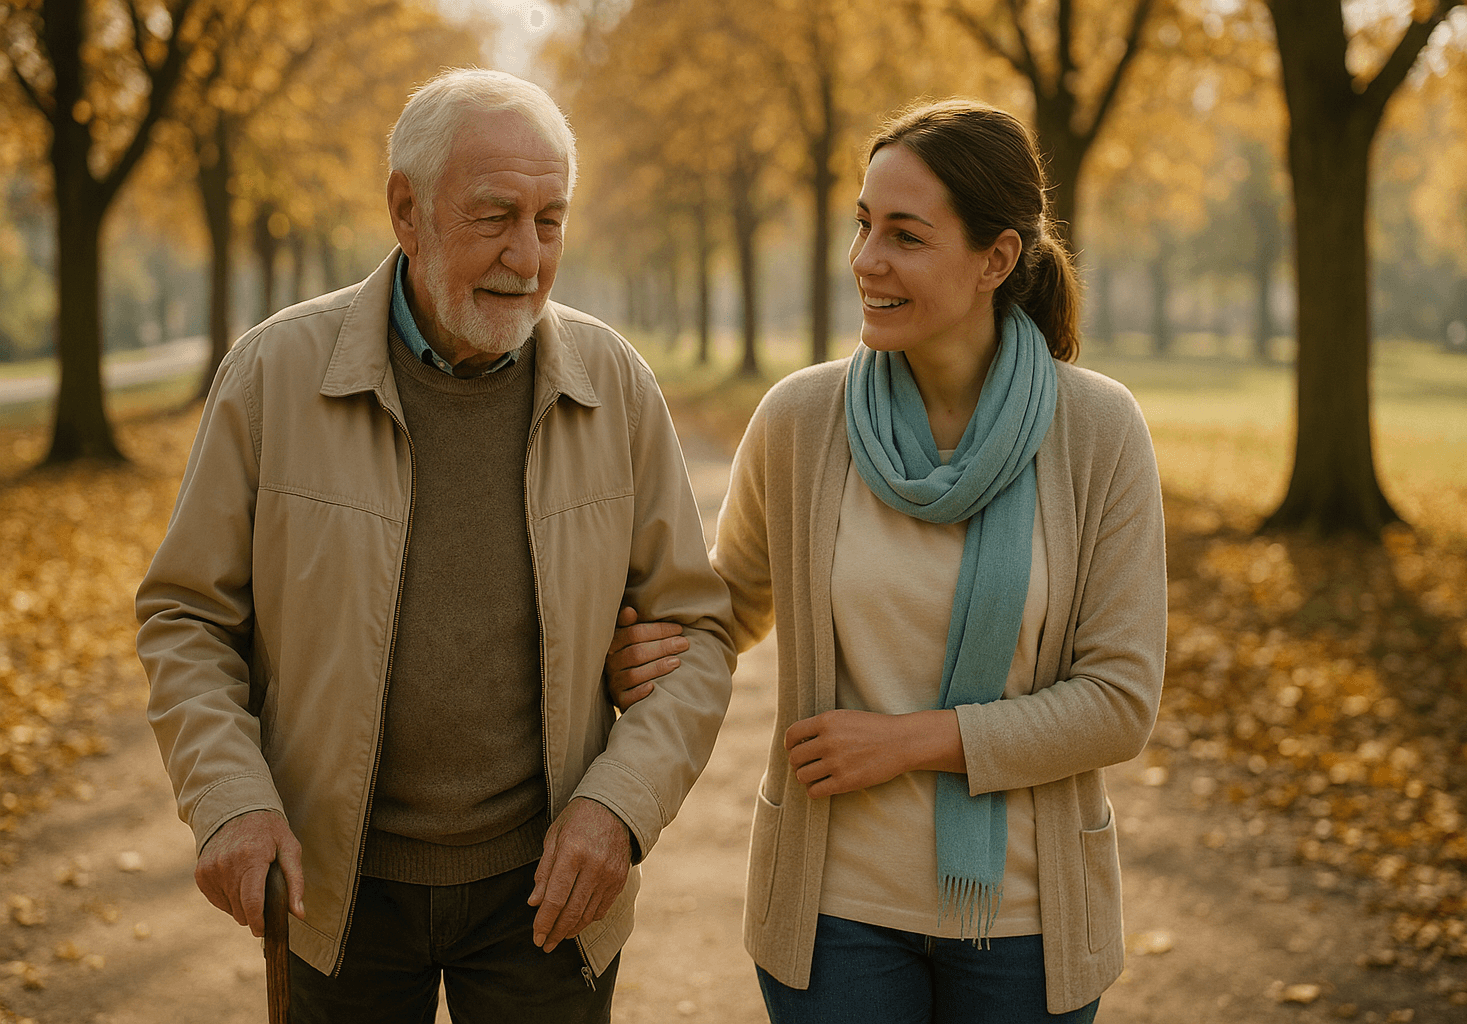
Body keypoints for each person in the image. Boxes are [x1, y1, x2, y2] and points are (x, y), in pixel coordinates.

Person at [136, 68, 736, 1024]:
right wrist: (230, 801)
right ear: (405, 210)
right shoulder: (274, 373)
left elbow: (698, 634)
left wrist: (619, 807)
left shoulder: (615, 383)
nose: (527, 257)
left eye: (550, 221)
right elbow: (187, 617)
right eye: (494, 215)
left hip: (549, 890)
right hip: (337, 887)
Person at [606, 99, 1166, 1022]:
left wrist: (911, 743)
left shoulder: (1098, 433)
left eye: (905, 235)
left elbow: (1119, 701)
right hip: (834, 918)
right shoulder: (801, 422)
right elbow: (724, 611)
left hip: (1026, 921)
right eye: (863, 225)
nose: (867, 260)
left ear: (997, 259)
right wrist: (651, 653)